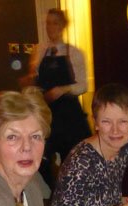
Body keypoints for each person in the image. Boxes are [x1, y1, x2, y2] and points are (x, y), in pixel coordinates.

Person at [21, 8, 91, 192]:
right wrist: (30, 83)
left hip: (69, 113)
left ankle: (74, 193)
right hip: (45, 113)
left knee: (75, 158)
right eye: (48, 23)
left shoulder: (74, 53)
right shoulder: (39, 51)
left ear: (63, 26)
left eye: (55, 23)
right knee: (40, 156)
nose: (50, 27)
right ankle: (55, 191)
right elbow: (35, 80)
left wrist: (63, 89)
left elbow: (83, 85)